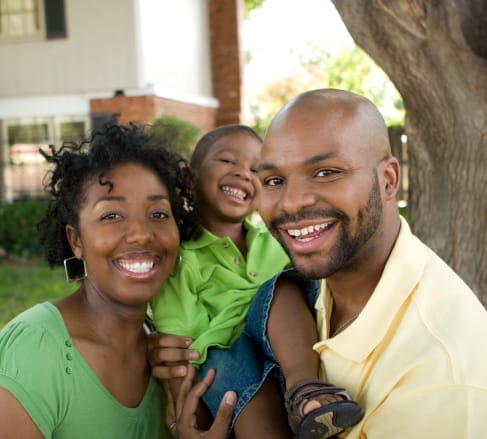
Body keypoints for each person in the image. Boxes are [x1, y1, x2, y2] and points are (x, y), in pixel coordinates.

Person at [152, 88, 487, 439]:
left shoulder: (442, 381)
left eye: (326, 172)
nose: (292, 202)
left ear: (388, 180)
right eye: (275, 180)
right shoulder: (323, 280)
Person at [149, 124, 363, 438]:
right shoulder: (180, 257)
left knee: (281, 288)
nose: (243, 173)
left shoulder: (277, 241)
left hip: (291, 355)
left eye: (256, 170)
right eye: (228, 161)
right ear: (191, 177)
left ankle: (306, 392)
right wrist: (182, 414)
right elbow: (182, 351)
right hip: (230, 372)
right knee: (222, 361)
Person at [0, 123, 209, 438]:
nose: (141, 234)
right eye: (112, 215)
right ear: (76, 240)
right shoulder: (35, 352)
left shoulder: (170, 359)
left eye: (158, 214)